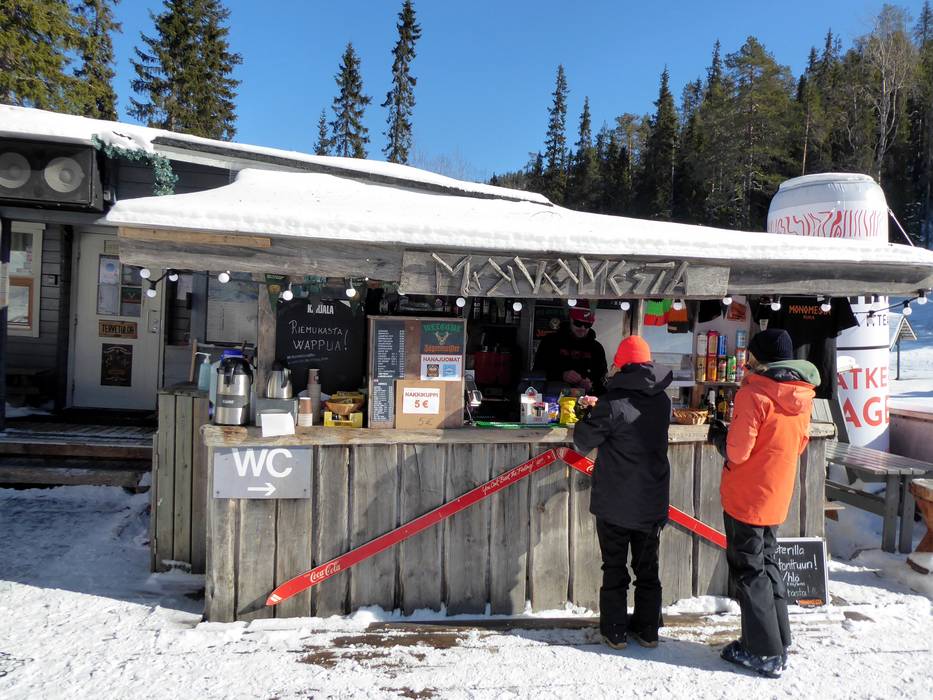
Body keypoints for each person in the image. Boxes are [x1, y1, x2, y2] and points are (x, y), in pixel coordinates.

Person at [707, 328, 820, 678]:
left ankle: (764, 652)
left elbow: (738, 452)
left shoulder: (754, 394)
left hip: (747, 496)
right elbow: (798, 444)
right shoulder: (802, 394)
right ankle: (778, 640)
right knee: (768, 564)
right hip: (776, 493)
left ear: (759, 358)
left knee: (749, 571)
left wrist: (719, 436)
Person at [572, 335, 673, 650]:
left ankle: (615, 632)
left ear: (623, 364)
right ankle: (648, 631)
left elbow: (582, 441)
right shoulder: (663, 400)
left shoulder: (612, 403)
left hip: (615, 501)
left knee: (614, 568)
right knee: (647, 569)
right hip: (652, 499)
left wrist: (585, 413)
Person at [533, 307, 608, 394]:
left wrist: (591, 385)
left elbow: (601, 376)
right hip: (553, 395)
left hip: (586, 397)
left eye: (587, 325)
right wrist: (561, 375)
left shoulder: (596, 348)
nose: (583, 328)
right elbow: (537, 371)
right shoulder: (550, 341)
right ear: (571, 320)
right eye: (578, 323)